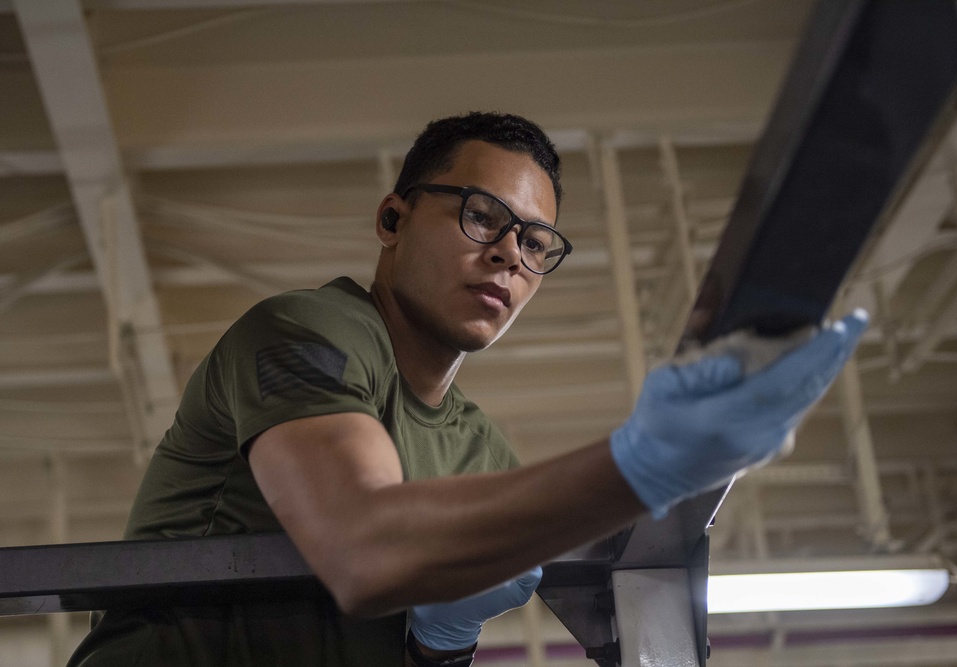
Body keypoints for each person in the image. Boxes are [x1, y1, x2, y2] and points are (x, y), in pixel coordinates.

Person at [68, 111, 866, 667]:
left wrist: (442, 643)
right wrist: (644, 465)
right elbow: (363, 549)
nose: (509, 256)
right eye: (483, 216)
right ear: (392, 219)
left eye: (535, 241)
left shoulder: (481, 453)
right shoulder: (305, 331)